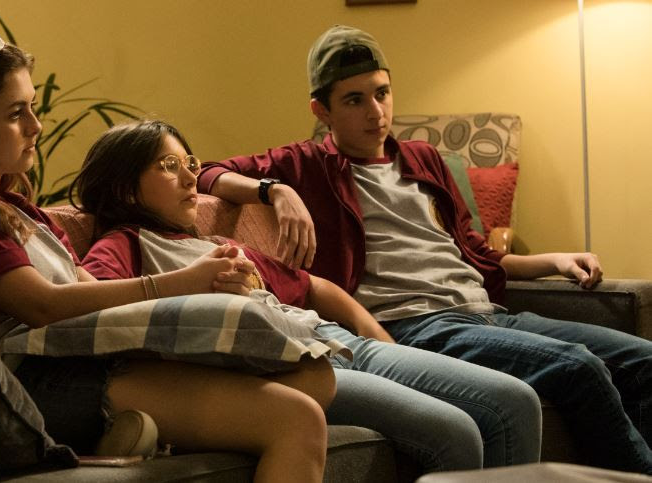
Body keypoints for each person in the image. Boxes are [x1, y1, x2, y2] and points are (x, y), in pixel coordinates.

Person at [0, 34, 341, 483]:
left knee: (314, 376)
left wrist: (214, 281)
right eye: (15, 113)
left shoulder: (22, 210)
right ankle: (122, 432)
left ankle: (137, 435)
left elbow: (88, 287)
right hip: (35, 378)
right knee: (296, 418)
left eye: (32, 107)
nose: (36, 126)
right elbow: (42, 305)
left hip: (87, 357)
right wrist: (182, 283)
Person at [197, 24, 652, 474]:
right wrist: (274, 189)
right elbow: (205, 172)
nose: (376, 112)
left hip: (487, 315)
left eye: (382, 93)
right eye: (354, 100)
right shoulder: (306, 164)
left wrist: (555, 260)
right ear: (322, 110)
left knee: (643, 360)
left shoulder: (424, 158)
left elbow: (475, 252)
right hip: (420, 326)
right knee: (577, 367)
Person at [71, 119, 545, 472]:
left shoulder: (216, 243)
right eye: (169, 166)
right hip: (295, 367)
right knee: (457, 433)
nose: (190, 177)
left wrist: (380, 341)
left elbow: (315, 287)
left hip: (343, 343)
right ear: (125, 188)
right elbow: (93, 302)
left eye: (190, 164)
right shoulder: (124, 244)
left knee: (516, 399)